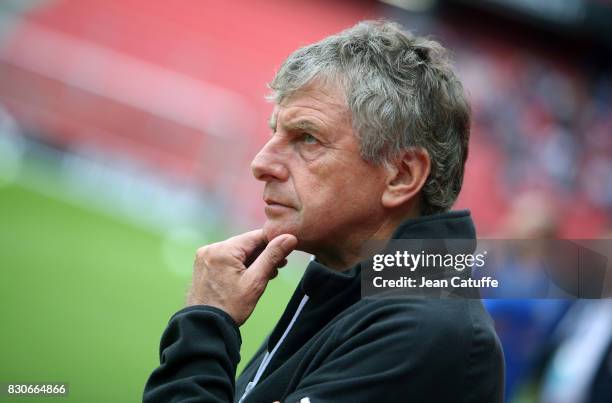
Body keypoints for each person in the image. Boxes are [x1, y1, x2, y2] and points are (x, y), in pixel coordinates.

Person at [143, 20, 504, 403]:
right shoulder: (348, 290)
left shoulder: (423, 331)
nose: (261, 163)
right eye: (274, 132)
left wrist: (207, 320)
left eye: (307, 138)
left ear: (401, 175)